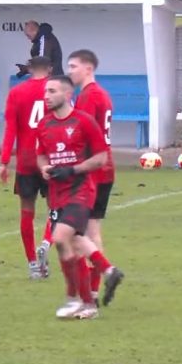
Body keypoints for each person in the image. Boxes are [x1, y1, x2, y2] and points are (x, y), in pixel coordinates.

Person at [36, 76, 109, 320]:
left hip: (81, 190)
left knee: (61, 237)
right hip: (57, 194)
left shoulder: (84, 121)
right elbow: (42, 156)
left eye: (52, 91)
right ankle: (88, 301)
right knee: (70, 244)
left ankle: (74, 297)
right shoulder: (44, 124)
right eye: (45, 91)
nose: (46, 95)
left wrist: (73, 169)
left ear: (67, 95)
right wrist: (45, 168)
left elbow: (101, 158)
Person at [66, 49, 125, 306]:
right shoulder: (102, 94)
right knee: (93, 230)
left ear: (88, 68)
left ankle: (100, 280)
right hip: (106, 168)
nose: (70, 72)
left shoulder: (89, 97)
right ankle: (94, 288)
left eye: (73, 66)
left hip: (91, 171)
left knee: (74, 232)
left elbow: (82, 136)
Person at [0, 56, 53, 280]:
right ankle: (47, 242)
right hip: (51, 159)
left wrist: (3, 162)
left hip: (26, 160)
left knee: (26, 212)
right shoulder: (55, 90)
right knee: (56, 209)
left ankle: (32, 263)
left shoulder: (17, 92)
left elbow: (11, 129)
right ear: (50, 69)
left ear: (29, 69)